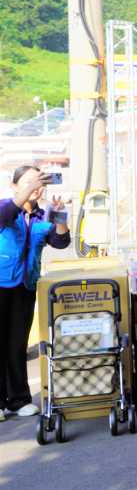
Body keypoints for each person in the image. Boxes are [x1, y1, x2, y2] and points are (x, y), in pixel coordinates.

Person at [0, 166, 71, 420]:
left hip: (25, 286)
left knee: (17, 344)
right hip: (1, 283)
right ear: (15, 186)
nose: (35, 187)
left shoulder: (43, 216)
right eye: (29, 182)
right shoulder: (5, 207)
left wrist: (60, 216)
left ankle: (18, 400)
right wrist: (27, 192)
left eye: (39, 183)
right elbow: (4, 216)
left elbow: (61, 242)